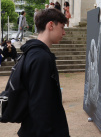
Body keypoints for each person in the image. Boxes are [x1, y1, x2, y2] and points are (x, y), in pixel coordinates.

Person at [18, 8, 70, 137]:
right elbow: (40, 104)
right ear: (51, 25)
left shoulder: (32, 53)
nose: (64, 33)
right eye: (62, 27)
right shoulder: (41, 58)